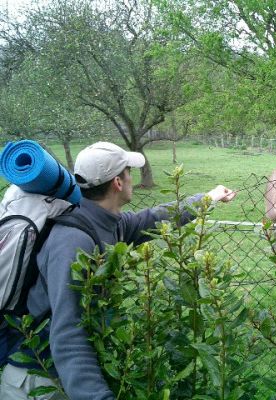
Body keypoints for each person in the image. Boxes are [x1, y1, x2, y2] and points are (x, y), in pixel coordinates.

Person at [0, 142, 236, 400]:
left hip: (62, 376)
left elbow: (155, 217)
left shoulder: (106, 222)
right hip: (39, 382)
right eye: (128, 172)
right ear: (118, 183)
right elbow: (68, 334)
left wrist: (209, 198)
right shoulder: (73, 242)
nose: (132, 177)